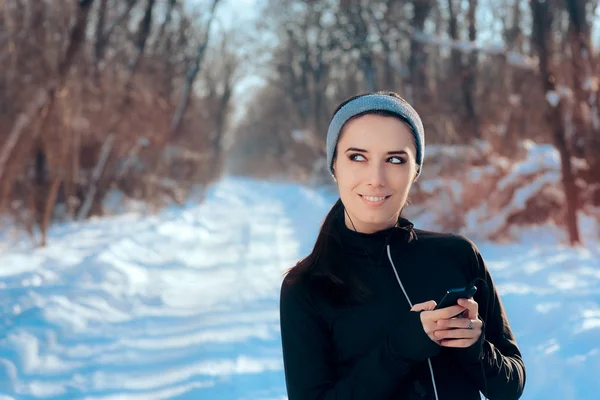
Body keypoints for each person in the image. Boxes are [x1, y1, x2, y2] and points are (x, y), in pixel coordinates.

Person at [279, 91, 526, 400]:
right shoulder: (306, 287)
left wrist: (476, 348)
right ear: (334, 166)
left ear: (416, 170)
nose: (376, 178)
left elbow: (510, 386)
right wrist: (398, 350)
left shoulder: (457, 255)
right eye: (358, 157)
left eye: (395, 160)